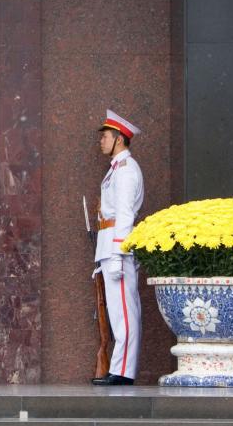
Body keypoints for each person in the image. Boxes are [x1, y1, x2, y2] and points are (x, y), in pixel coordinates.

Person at [91, 109, 144, 386]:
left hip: (117, 251)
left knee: (124, 311)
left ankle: (123, 372)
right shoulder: (116, 170)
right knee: (118, 312)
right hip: (109, 247)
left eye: (106, 137)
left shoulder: (126, 171)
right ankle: (120, 368)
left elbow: (124, 215)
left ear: (120, 140)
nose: (101, 141)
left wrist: (117, 253)